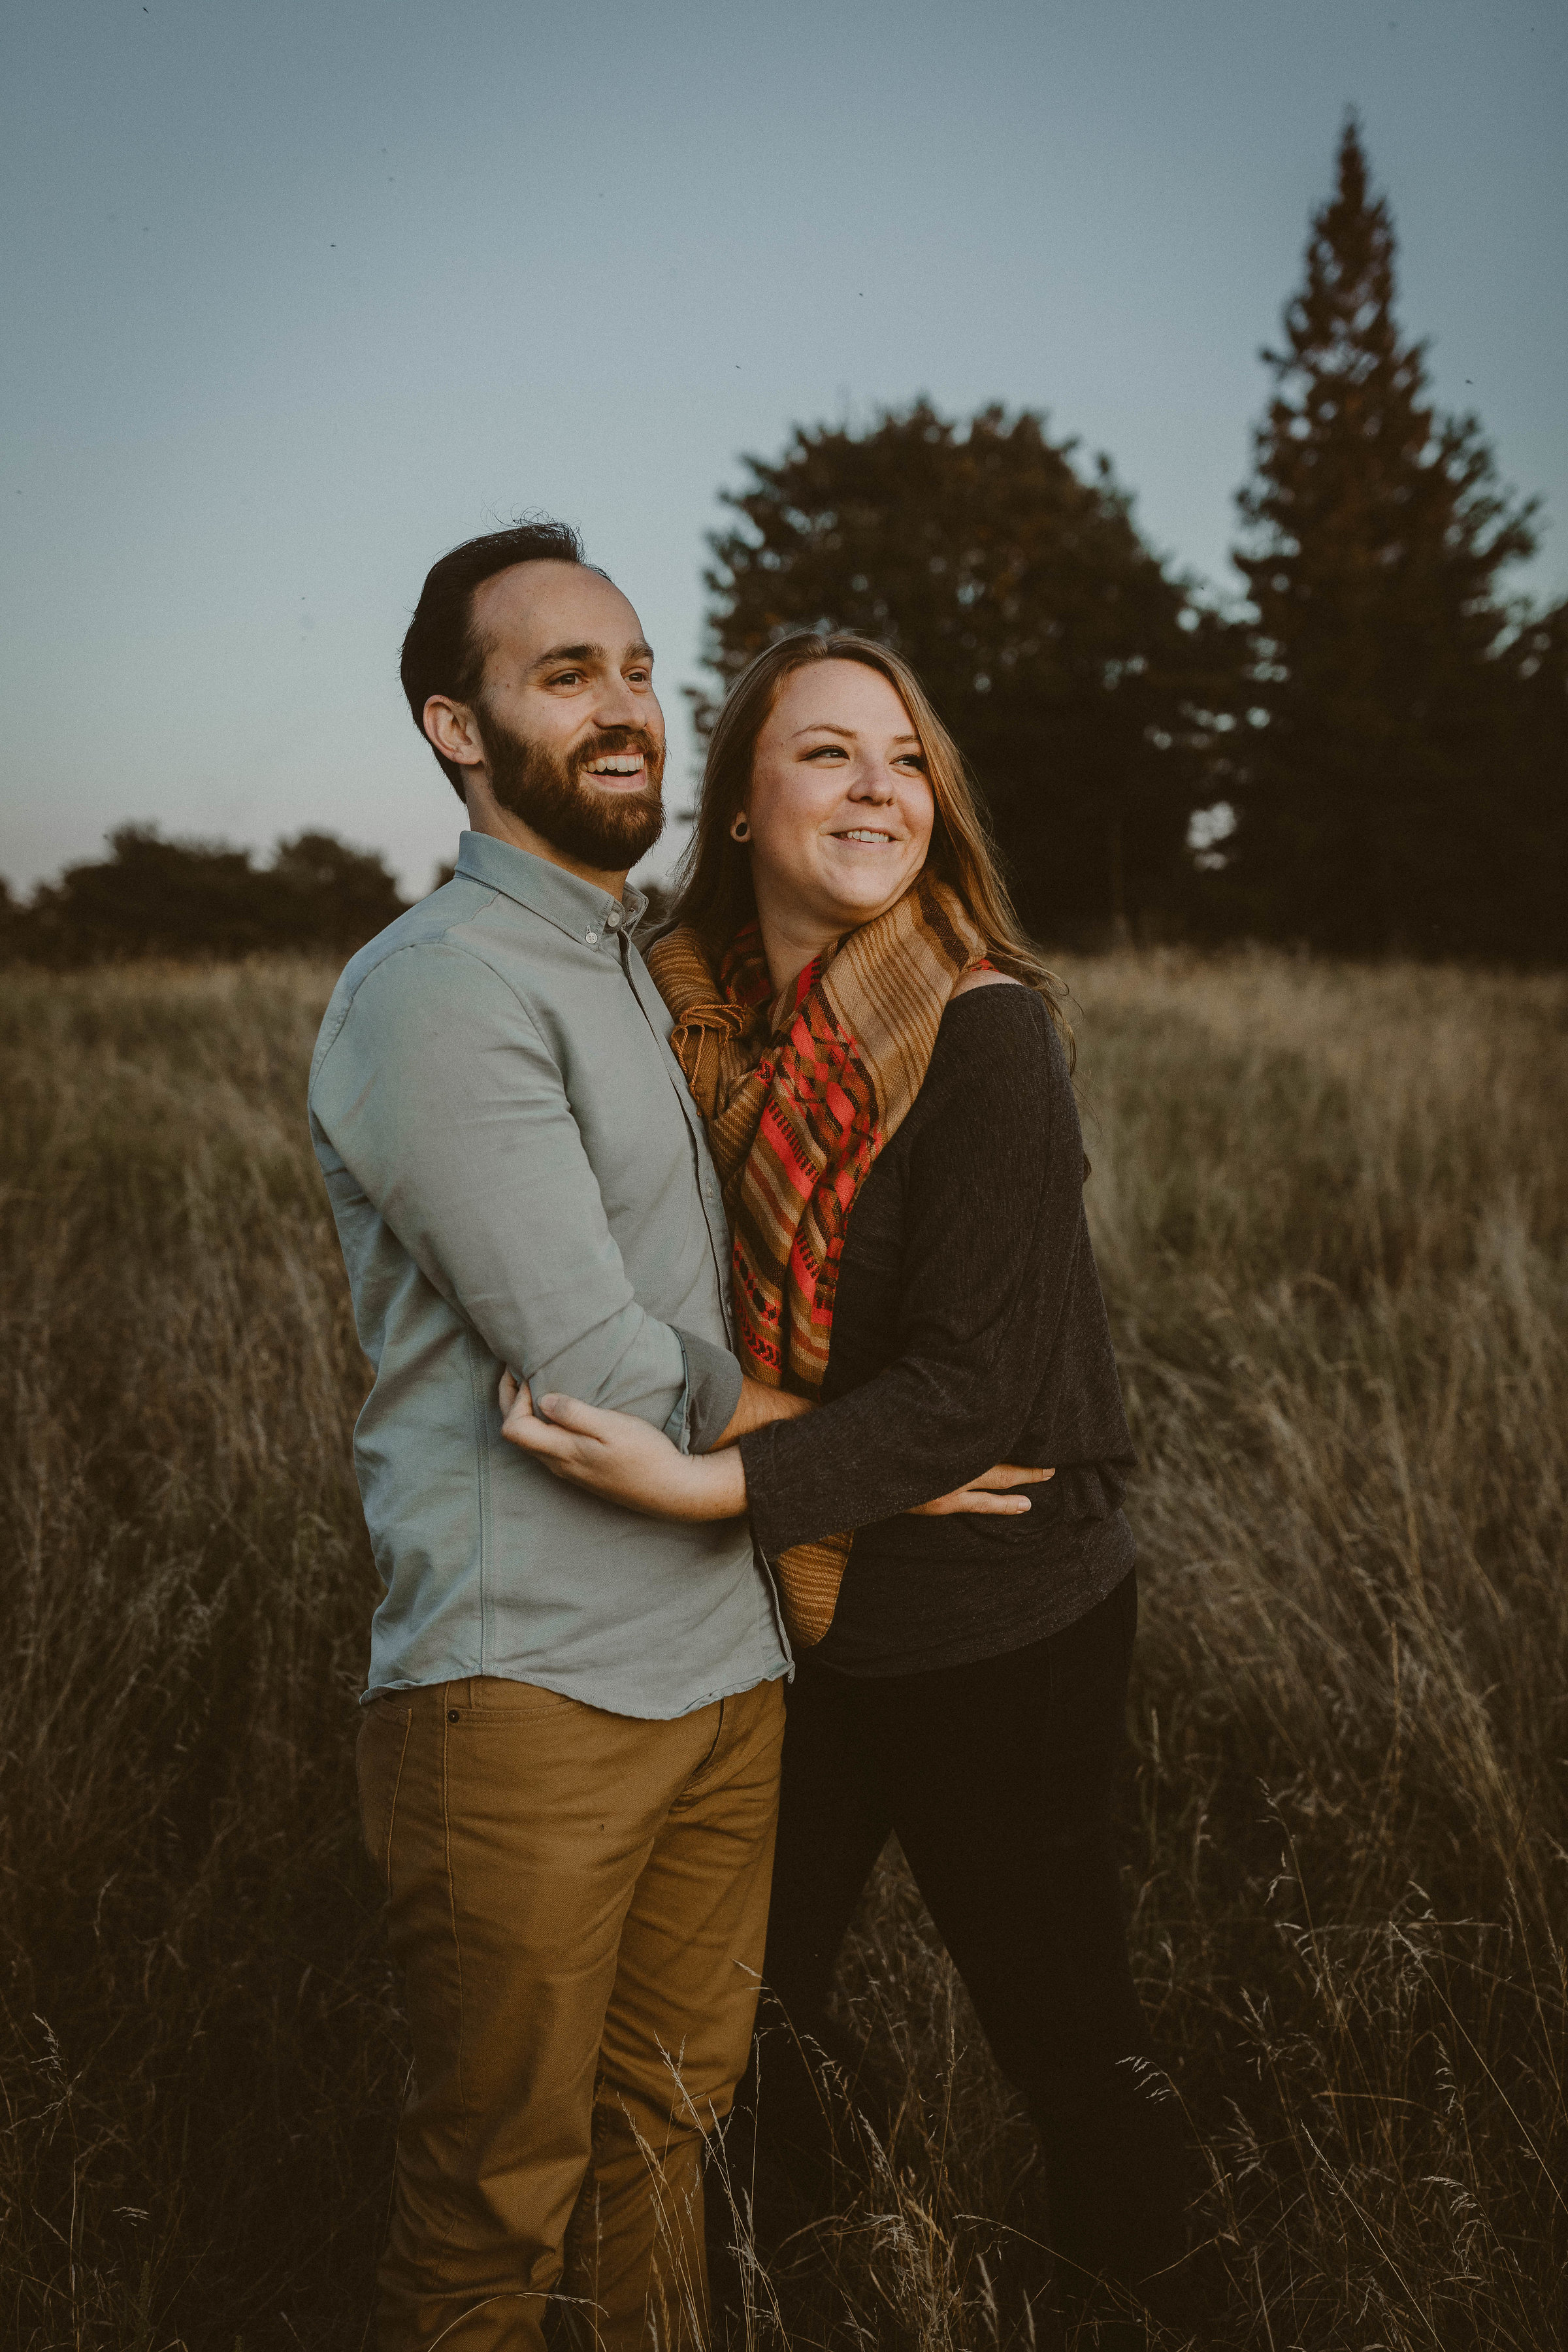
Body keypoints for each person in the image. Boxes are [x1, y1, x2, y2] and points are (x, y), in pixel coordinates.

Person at [498, 631, 1193, 2327]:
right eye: (828, 753)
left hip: (996, 1619)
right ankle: (797, 2269)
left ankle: (1177, 2290)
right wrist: (825, 1456)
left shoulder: (984, 1037)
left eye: (905, 758)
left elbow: (972, 1396)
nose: (880, 787)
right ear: (739, 801)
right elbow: (595, 1318)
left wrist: (712, 1482)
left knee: (1065, 2034)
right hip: (776, 1619)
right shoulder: (673, 1030)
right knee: (725, 2025)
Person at [308, 521, 820, 2352]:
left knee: (663, 2155)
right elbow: (596, 1360)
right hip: (529, 1697)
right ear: (458, 728)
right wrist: (878, 1447)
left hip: (716, 1669)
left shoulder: (626, 960)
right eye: (561, 674)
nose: (625, 710)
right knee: (493, 2205)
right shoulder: (438, 987)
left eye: (635, 668)